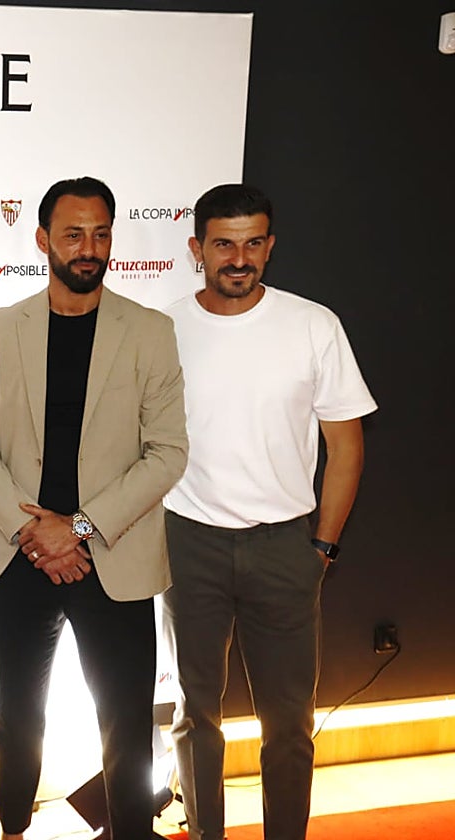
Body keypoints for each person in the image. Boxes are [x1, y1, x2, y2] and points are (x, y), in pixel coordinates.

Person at [0, 176, 188, 840]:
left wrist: (79, 528)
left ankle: (130, 832)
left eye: (101, 232)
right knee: (16, 716)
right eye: (73, 234)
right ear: (43, 241)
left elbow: (167, 453)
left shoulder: (150, 332)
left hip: (110, 553)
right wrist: (36, 530)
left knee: (123, 718)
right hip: (18, 554)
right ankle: (10, 831)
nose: (89, 248)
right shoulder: (1, 329)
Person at [162, 184, 376, 840]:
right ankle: (206, 834)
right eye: (224, 243)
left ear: (270, 246)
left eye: (254, 242)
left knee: (290, 723)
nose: (239, 257)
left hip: (286, 547)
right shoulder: (161, 326)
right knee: (196, 714)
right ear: (197, 248)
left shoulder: (314, 325)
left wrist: (323, 550)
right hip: (188, 544)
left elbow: (346, 446)